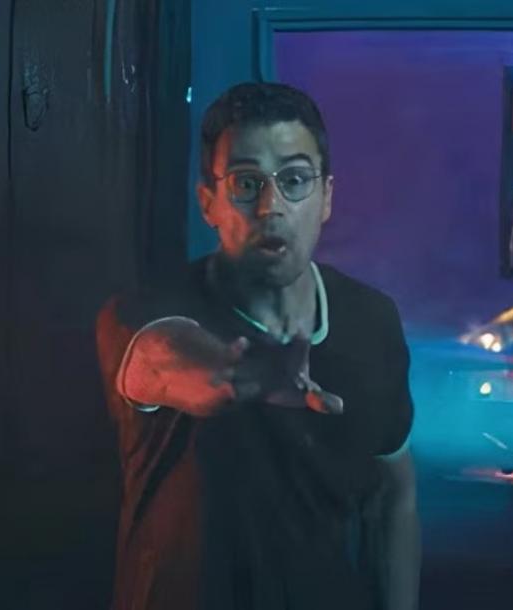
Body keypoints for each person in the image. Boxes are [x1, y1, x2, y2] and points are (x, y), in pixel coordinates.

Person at [96, 81, 420, 610]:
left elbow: (394, 493)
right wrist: (227, 375)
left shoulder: (371, 320)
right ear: (209, 202)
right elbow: (162, 354)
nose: (271, 206)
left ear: (326, 197)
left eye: (294, 179)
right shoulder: (143, 311)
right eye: (247, 183)